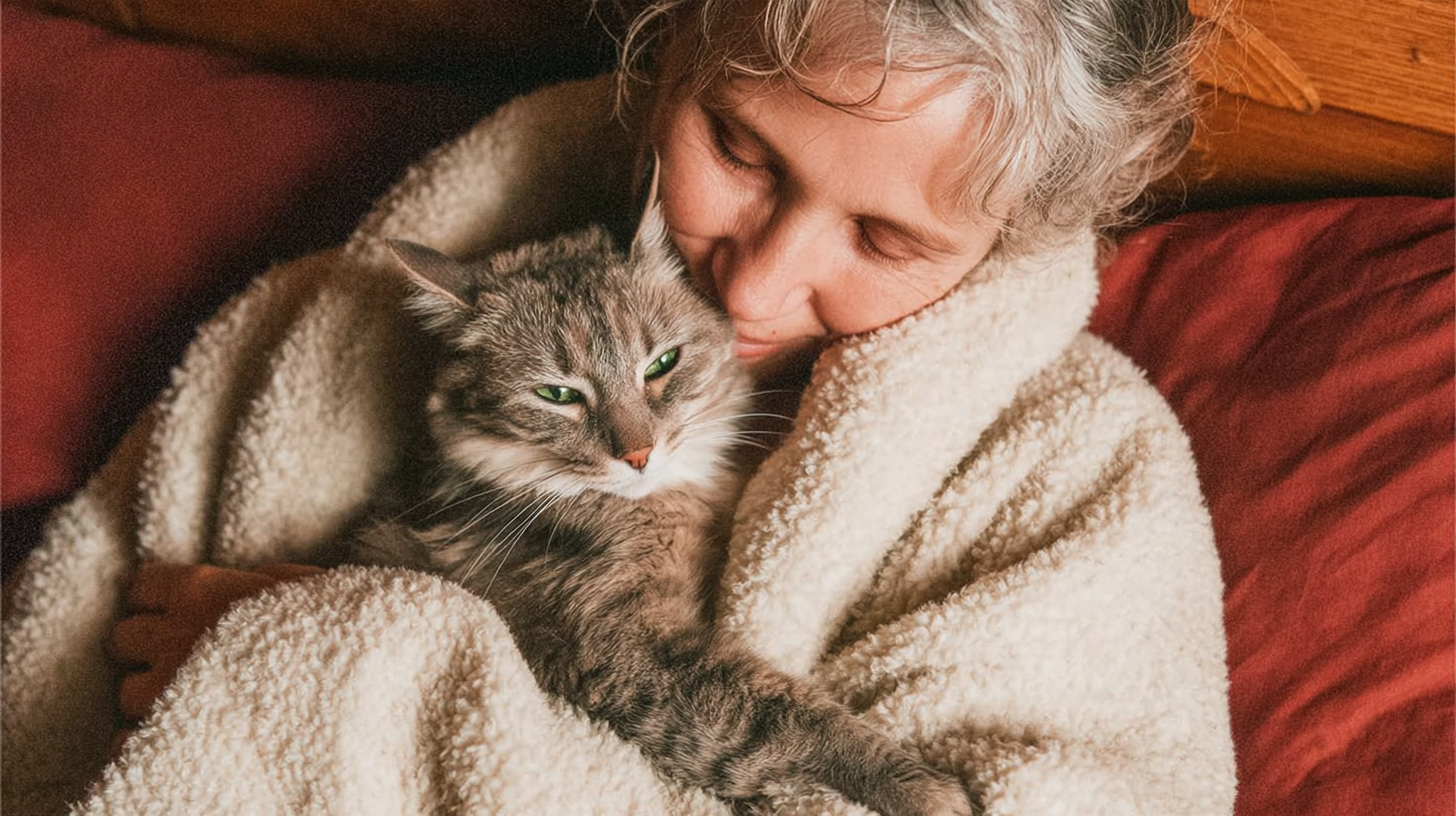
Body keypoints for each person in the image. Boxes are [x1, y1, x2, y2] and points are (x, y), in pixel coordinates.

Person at [4, 0, 1237, 813]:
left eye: (882, 234)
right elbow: (67, 686)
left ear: (1011, 233)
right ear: (671, 49)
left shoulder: (1078, 482)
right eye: (742, 150)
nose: (755, 281)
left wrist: (352, 667)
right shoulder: (328, 317)